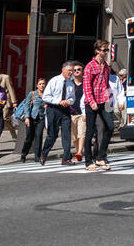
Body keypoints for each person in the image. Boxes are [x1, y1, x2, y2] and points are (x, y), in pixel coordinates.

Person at [82, 41, 114, 171]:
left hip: (104, 101)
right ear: (97, 51)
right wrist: (91, 101)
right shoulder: (89, 66)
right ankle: (88, 161)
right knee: (90, 132)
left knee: (110, 127)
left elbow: (107, 85)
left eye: (107, 50)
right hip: (92, 103)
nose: (106, 52)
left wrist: (110, 101)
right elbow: (86, 85)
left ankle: (100, 157)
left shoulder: (106, 66)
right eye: (104, 50)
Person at [41, 61, 79, 166]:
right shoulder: (54, 81)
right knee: (52, 135)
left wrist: (69, 101)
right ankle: (44, 153)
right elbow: (46, 97)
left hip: (65, 110)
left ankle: (66, 158)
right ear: (63, 70)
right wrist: (58, 101)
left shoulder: (71, 83)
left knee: (66, 134)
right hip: (53, 109)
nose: (71, 73)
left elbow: (72, 98)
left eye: (73, 71)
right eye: (69, 70)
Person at [15, 78, 47, 163]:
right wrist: (27, 117)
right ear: (37, 85)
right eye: (40, 84)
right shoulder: (32, 94)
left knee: (39, 136)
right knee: (29, 137)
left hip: (41, 118)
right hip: (31, 118)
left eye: (43, 84)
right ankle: (24, 154)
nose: (42, 85)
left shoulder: (47, 94)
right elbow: (26, 105)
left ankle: (37, 157)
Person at [0, 64, 19, 140]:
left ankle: (12, 132)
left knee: (4, 118)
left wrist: (14, 101)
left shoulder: (6, 77)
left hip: (5, 102)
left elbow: (10, 89)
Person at [70, 62, 87, 162]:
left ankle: (79, 152)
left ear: (82, 71)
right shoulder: (69, 84)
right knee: (74, 136)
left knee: (82, 133)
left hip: (82, 113)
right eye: (75, 70)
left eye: (79, 69)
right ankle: (78, 152)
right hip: (71, 113)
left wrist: (85, 113)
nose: (76, 71)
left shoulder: (85, 84)